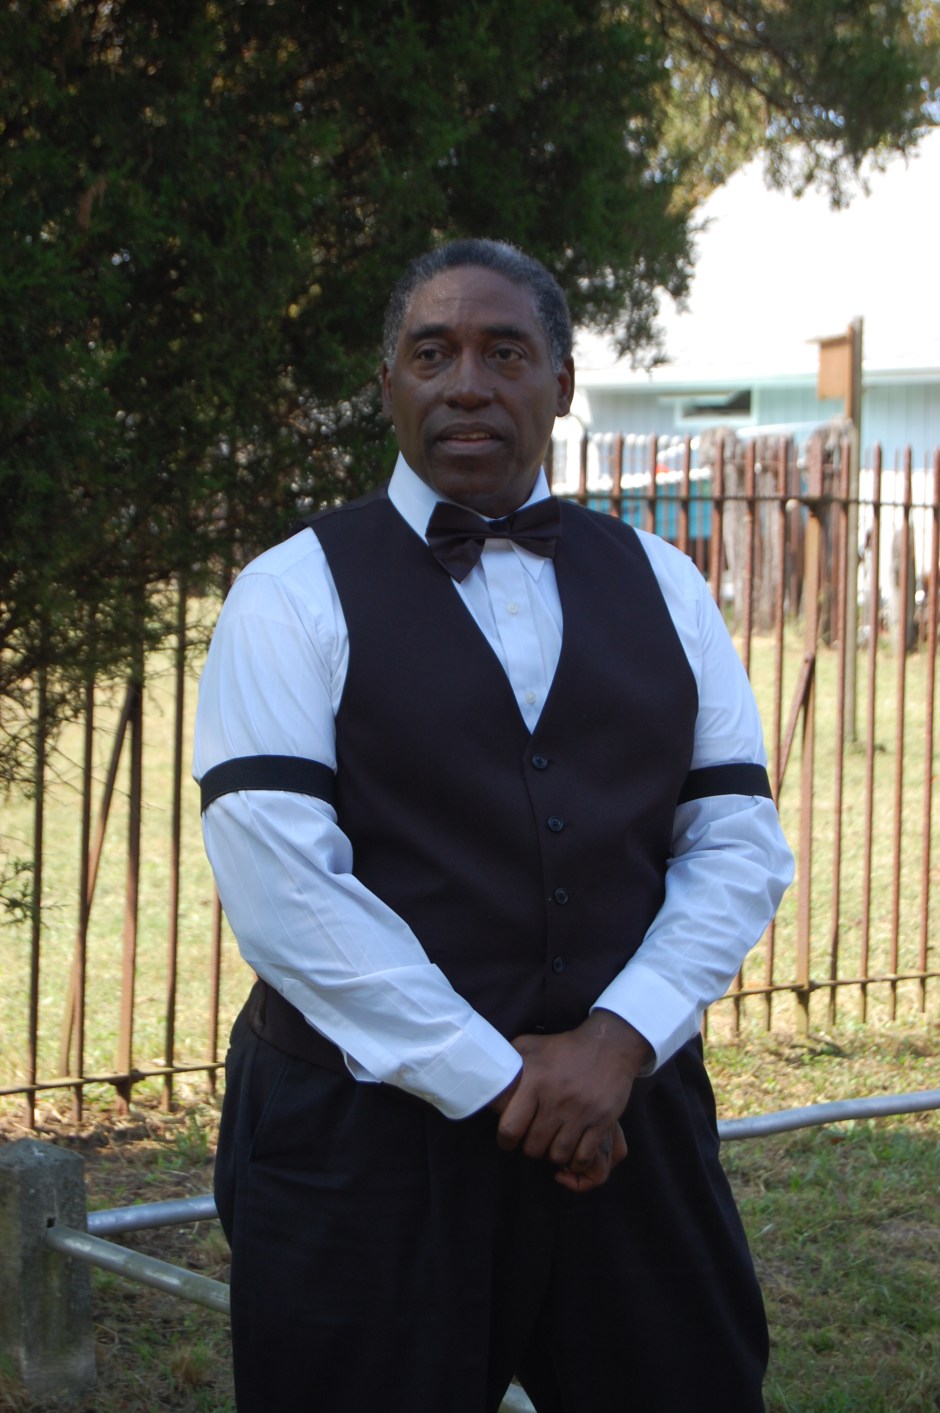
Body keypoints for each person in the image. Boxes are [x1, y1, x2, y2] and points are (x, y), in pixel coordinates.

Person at [194, 238, 793, 1413]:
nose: (467, 382)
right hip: (361, 1143)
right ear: (390, 387)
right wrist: (502, 1084)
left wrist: (615, 1045)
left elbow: (735, 843)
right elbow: (282, 887)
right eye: (434, 352)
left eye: (503, 351)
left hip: (630, 1122)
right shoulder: (289, 590)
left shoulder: (664, 582)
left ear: (560, 384)